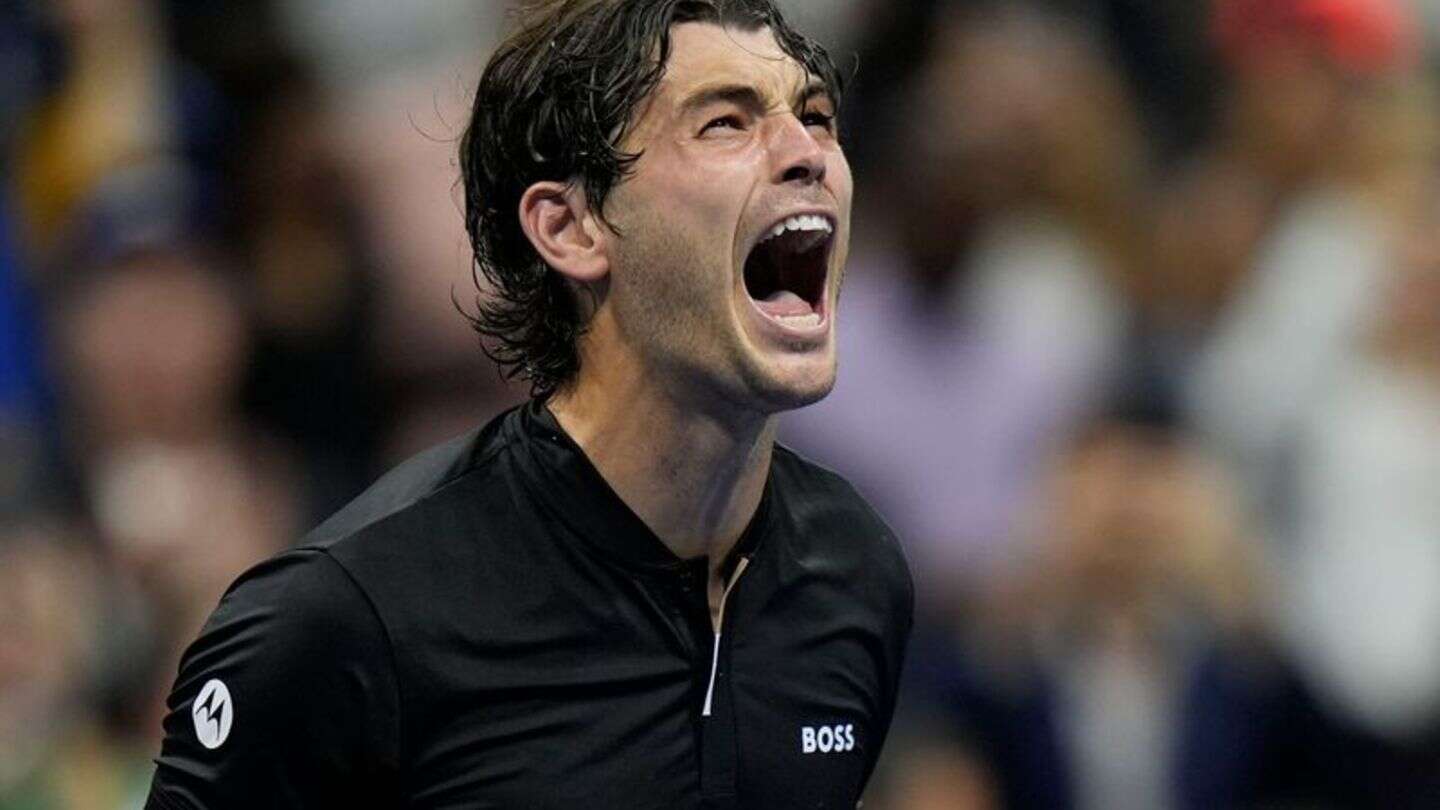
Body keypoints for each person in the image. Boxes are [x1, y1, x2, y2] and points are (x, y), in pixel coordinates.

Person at [143, 1, 914, 807]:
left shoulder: (855, 570)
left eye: (817, 116)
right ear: (570, 228)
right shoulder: (347, 617)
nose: (808, 153)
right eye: (724, 123)